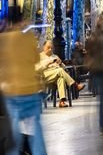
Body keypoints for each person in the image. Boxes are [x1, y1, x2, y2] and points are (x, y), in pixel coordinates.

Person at [0, 10, 47, 154]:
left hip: (11, 92)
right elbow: (36, 59)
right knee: (35, 130)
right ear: (21, 21)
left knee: (13, 133)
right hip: (31, 90)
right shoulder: (29, 38)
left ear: (8, 22)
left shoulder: (2, 39)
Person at [85, 15, 103, 134]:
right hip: (101, 69)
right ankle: (102, 125)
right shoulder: (101, 36)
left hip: (102, 69)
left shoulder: (96, 35)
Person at [37, 39, 85, 107]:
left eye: (52, 48)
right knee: (59, 71)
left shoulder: (55, 56)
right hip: (45, 76)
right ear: (44, 47)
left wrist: (61, 63)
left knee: (61, 78)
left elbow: (64, 68)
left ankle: (62, 101)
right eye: (48, 47)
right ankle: (75, 85)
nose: (50, 49)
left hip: (56, 75)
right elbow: (37, 69)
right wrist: (48, 63)